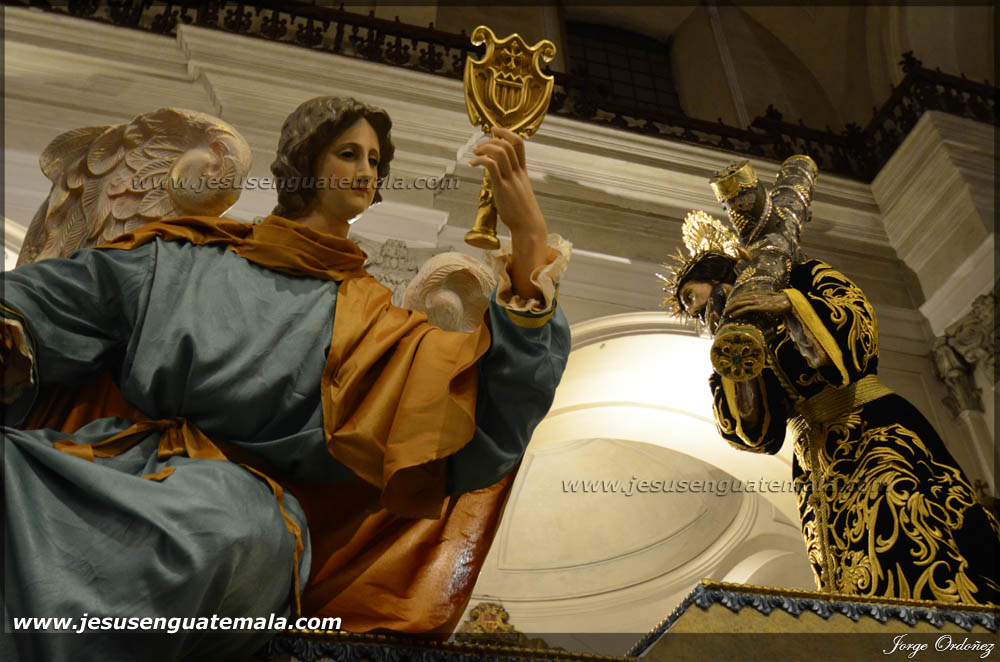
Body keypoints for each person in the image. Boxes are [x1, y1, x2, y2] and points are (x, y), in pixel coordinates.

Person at [1, 96, 571, 661]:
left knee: (214, 527)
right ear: (305, 161)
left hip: (242, 509)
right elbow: (64, 296)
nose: (366, 171)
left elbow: (481, 409)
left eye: (375, 161)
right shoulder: (189, 258)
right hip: (114, 468)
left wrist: (528, 238)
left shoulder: (376, 325)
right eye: (349, 153)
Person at [663, 210, 1000, 605]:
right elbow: (756, 435)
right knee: (844, 567)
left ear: (720, 278)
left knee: (901, 527)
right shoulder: (736, 341)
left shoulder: (802, 277)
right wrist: (737, 361)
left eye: (694, 298)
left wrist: (789, 305)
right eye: (694, 313)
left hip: (871, 428)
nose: (700, 315)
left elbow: (858, 332)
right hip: (816, 463)